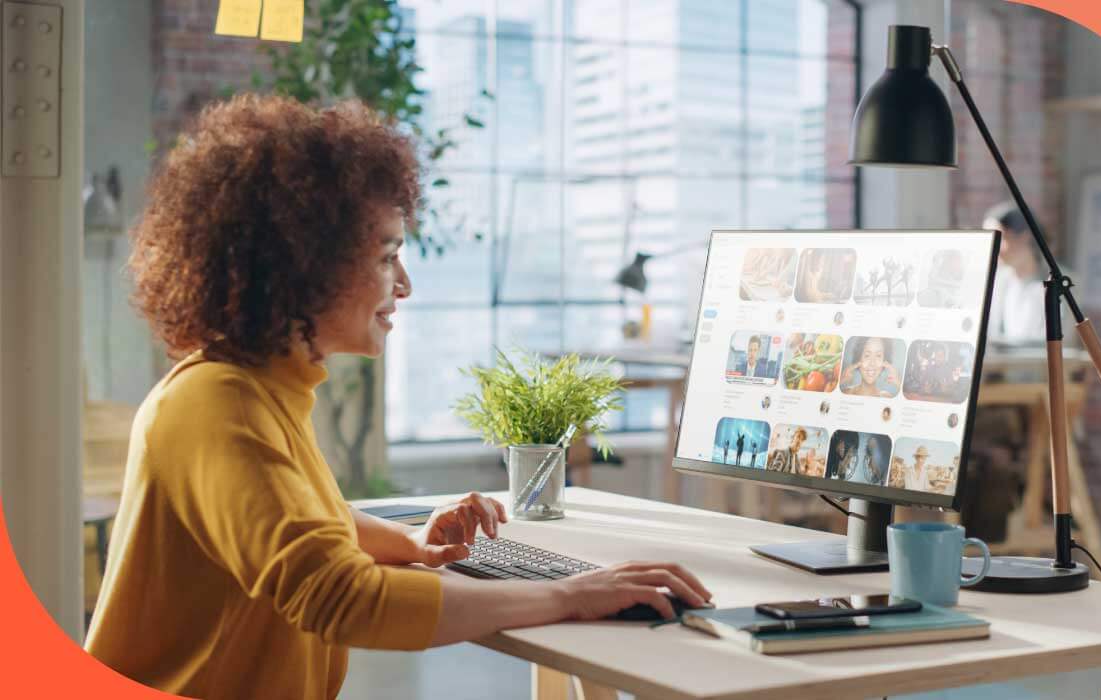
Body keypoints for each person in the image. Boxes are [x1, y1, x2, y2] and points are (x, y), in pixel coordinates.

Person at [83, 95, 710, 700]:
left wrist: (411, 545)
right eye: (388, 257)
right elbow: (342, 598)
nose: (404, 285)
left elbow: (294, 520)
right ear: (306, 264)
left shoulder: (254, 387)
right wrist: (571, 595)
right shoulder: (218, 406)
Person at [984, 201, 1074, 344]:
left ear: (1024, 237)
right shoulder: (999, 281)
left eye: (999, 240)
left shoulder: (1059, 281)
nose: (993, 249)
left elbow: (1060, 341)